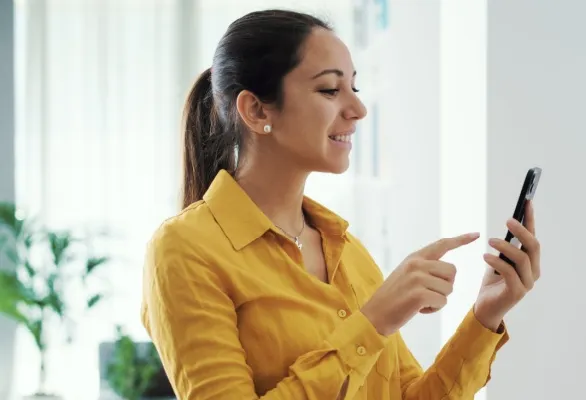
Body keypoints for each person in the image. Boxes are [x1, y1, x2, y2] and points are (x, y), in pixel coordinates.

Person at [139, 8, 541, 400]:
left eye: (355, 88)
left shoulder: (347, 251)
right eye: (330, 90)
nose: (359, 110)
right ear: (256, 110)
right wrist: (373, 322)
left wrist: (485, 315)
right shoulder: (184, 249)